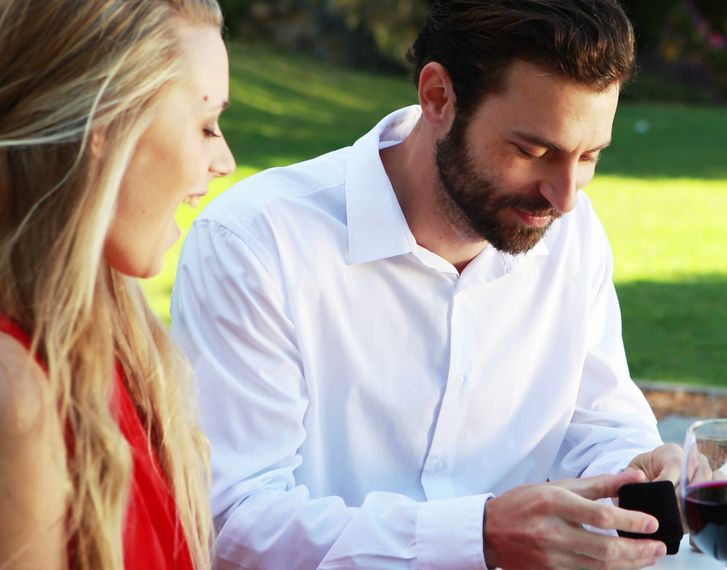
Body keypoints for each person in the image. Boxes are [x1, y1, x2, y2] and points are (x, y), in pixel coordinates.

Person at [172, 0, 680, 567]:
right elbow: (233, 520)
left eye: (589, 157)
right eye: (534, 151)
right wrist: (477, 535)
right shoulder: (258, 244)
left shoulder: (572, 233)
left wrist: (640, 466)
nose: (565, 197)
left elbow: (598, 417)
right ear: (437, 96)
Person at [0, 0, 236, 567]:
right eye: (205, 125)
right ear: (103, 127)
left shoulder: (125, 350)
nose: (224, 159)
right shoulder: (17, 397)